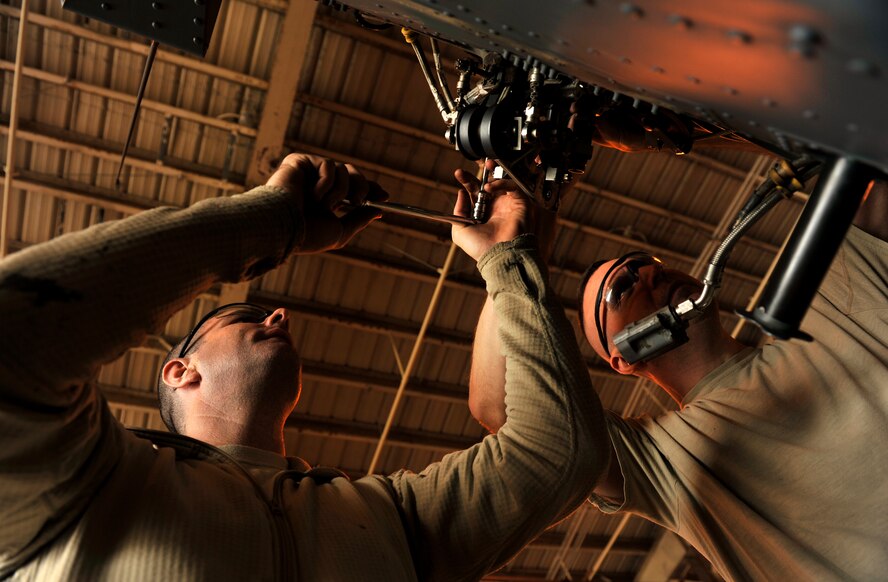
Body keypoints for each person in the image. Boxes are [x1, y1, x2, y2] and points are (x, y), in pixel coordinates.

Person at [0, 153, 608, 580]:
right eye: (245, 318)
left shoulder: (388, 516)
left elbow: (560, 452)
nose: (280, 315)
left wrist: (507, 258)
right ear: (178, 371)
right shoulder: (85, 483)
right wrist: (271, 219)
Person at [466, 168, 888, 581]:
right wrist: (508, 253)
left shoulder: (829, 311)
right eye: (621, 288)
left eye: (647, 262)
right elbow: (497, 406)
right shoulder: (664, 459)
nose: (650, 272)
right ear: (623, 358)